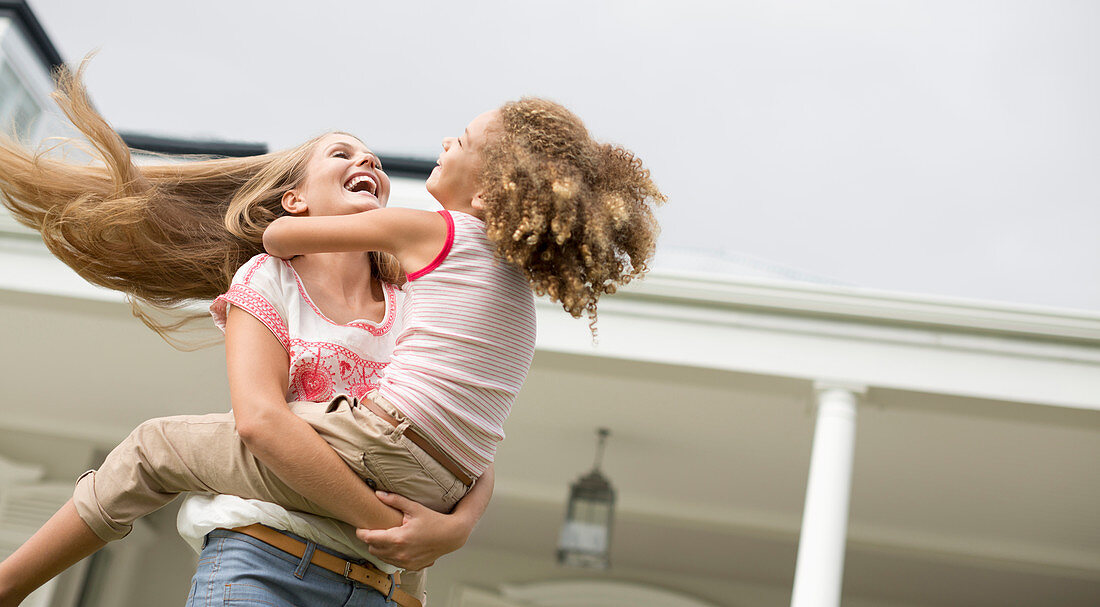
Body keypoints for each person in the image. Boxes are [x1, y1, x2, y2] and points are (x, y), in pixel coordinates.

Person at [0, 63, 665, 606]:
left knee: (152, 446)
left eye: (374, 160)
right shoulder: (269, 282)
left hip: (373, 570)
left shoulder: (416, 292)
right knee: (160, 450)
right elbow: (261, 421)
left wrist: (454, 530)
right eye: (343, 154)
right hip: (264, 567)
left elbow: (472, 445)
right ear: (295, 196)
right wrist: (389, 523)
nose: (369, 161)